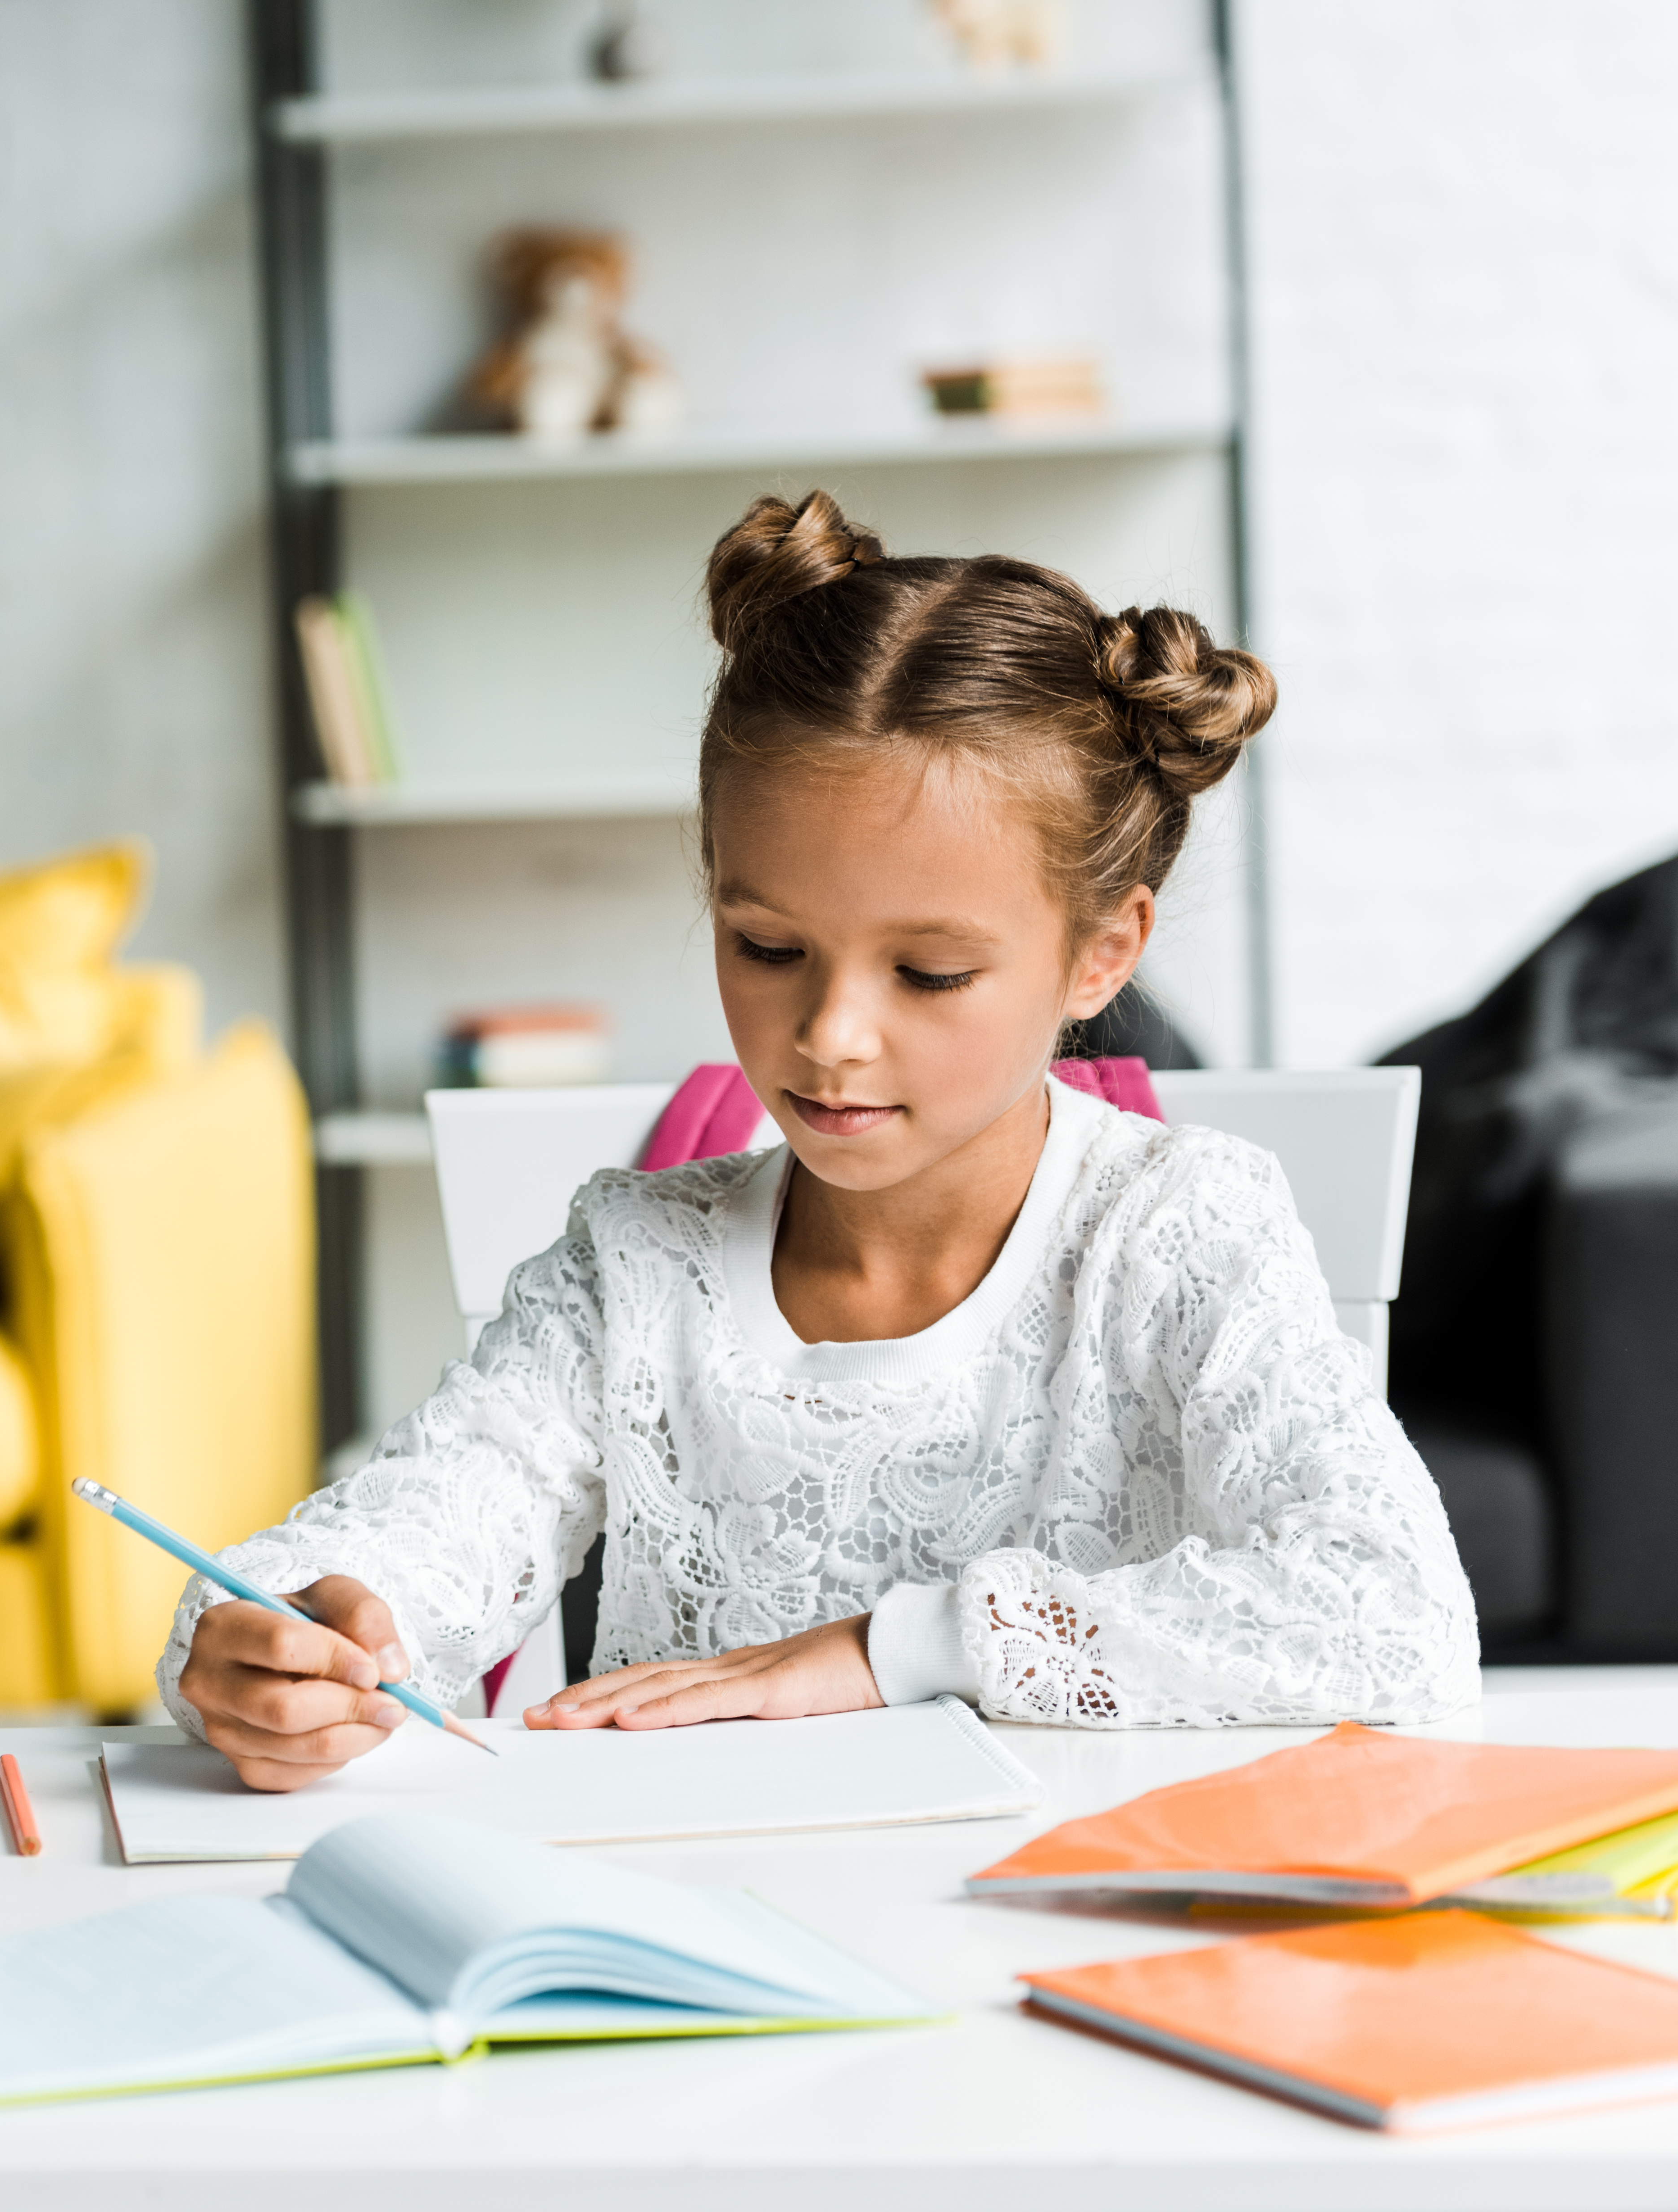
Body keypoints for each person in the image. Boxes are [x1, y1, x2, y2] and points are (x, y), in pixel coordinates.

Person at [168, 492, 1478, 1790]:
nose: (832, 1035)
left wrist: (885, 1651)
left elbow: (1395, 1613)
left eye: (929, 972)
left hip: (1063, 1929)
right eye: (770, 949)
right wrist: (290, 1641)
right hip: (711, 1940)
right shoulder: (636, 1264)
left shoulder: (1182, 1229)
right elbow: (429, 1530)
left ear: (1103, 952)